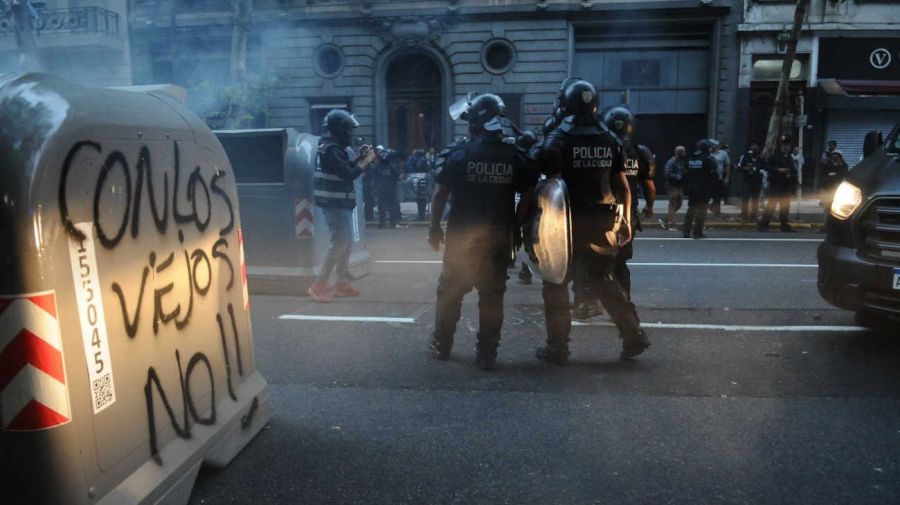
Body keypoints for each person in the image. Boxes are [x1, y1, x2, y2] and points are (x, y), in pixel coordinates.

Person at [534, 79, 649, 364]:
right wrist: (624, 220)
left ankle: (557, 347)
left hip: (564, 223)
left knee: (556, 283)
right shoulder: (609, 137)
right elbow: (622, 186)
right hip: (602, 219)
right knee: (603, 279)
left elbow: (544, 181)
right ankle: (633, 335)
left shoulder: (558, 137)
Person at [427, 93, 536, 371]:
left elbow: (440, 193)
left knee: (450, 292)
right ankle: (487, 354)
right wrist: (516, 225)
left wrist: (433, 228)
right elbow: (527, 194)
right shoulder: (514, 156)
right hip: (498, 238)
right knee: (492, 297)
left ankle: (442, 344)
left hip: (462, 238)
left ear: (474, 121)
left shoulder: (459, 154)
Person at [308, 110, 375, 303]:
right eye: (347, 129)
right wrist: (366, 161)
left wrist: (360, 158)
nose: (350, 133)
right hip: (334, 203)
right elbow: (348, 174)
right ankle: (319, 285)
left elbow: (343, 167)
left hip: (340, 202)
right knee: (339, 243)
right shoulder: (330, 149)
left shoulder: (333, 148)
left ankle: (341, 284)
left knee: (346, 244)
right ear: (338, 129)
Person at [603, 104, 656, 300]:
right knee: (621, 262)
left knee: (594, 261)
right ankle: (623, 302)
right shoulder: (640, 152)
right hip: (628, 213)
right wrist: (649, 207)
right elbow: (650, 186)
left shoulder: (604, 149)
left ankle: (589, 302)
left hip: (604, 212)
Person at [759, 136, 797, 232]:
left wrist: (792, 177)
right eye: (784, 145)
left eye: (787, 146)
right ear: (781, 146)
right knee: (771, 206)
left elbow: (794, 171)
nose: (786, 147)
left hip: (786, 186)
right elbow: (767, 167)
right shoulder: (774, 156)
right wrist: (778, 170)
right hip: (776, 185)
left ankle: (784, 226)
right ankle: (763, 225)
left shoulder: (790, 157)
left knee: (785, 207)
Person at [683, 139, 718, 239]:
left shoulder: (691, 158)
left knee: (691, 209)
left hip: (692, 187)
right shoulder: (708, 158)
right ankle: (698, 232)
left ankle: (686, 231)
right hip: (704, 188)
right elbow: (713, 174)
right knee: (702, 210)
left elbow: (685, 173)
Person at [373, 147, 402, 228]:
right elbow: (397, 175)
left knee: (383, 207)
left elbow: (374, 177)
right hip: (390, 189)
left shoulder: (378, 167)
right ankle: (391, 223)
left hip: (383, 189)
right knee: (391, 207)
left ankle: (384, 223)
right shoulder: (391, 166)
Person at [737, 142, 763, 222]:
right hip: (747, 180)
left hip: (757, 180)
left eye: (756, 146)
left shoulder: (760, 157)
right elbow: (739, 167)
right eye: (753, 146)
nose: (755, 147)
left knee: (755, 198)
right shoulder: (745, 156)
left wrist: (759, 170)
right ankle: (744, 216)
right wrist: (745, 168)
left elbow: (764, 167)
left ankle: (753, 216)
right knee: (745, 198)